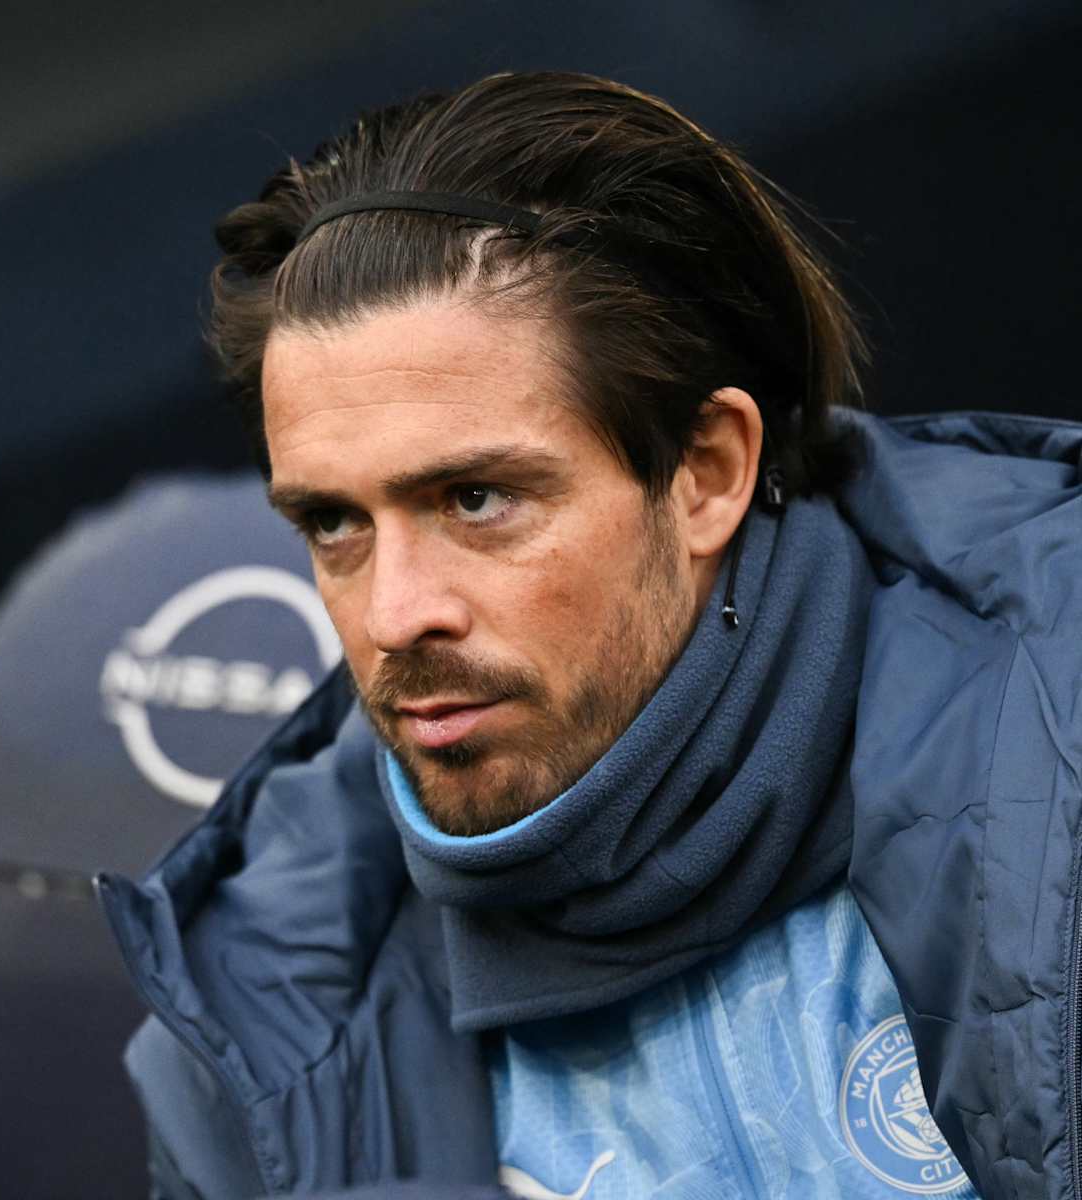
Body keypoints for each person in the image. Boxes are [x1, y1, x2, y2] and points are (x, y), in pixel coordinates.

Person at [96, 71, 1082, 1199]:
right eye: (333, 524)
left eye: (476, 499)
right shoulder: (250, 1041)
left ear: (707, 472)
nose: (393, 614)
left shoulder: (1056, 750)